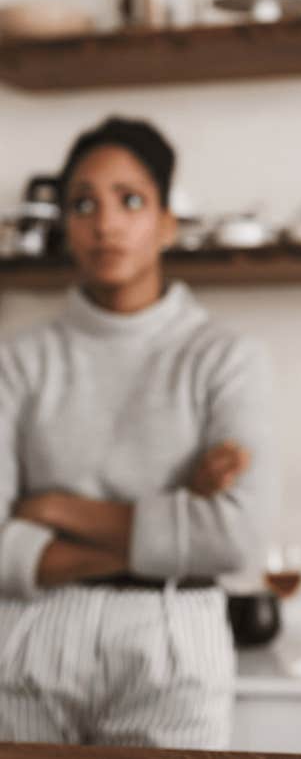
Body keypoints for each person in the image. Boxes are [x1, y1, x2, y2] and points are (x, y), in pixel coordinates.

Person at [0, 117, 275, 747]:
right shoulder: (17, 362)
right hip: (27, 637)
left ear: (166, 222)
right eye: (82, 204)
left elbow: (237, 538)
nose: (105, 223)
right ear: (64, 225)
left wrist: (53, 508)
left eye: (130, 199)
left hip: (175, 632)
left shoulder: (226, 358)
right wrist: (176, 518)